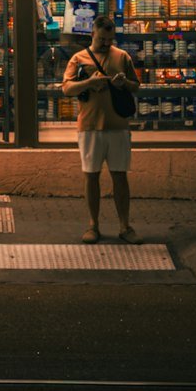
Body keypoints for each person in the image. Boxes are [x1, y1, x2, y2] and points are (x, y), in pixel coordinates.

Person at [61, 14, 141, 245]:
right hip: (89, 126)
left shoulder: (122, 56)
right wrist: (89, 83)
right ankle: (92, 225)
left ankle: (125, 225)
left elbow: (136, 86)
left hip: (118, 126)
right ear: (93, 34)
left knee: (120, 177)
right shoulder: (79, 58)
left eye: (110, 40)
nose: (107, 44)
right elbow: (66, 88)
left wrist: (123, 83)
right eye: (102, 39)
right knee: (91, 176)